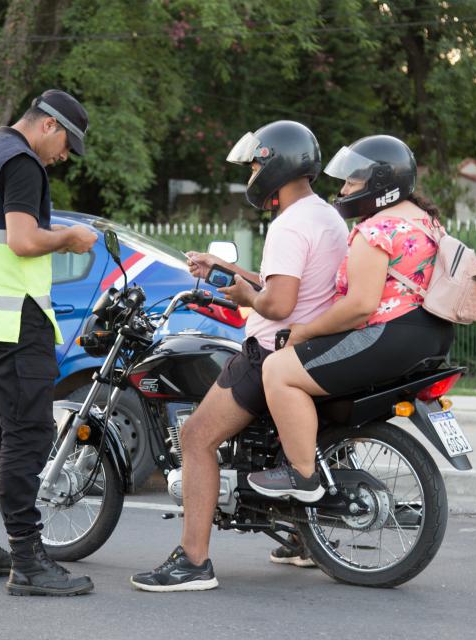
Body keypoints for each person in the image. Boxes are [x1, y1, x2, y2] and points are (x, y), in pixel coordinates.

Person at [130, 120, 349, 592]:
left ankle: (193, 561)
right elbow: (289, 279)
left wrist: (242, 296)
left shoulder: (289, 224)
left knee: (195, 437)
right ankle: (301, 536)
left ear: (275, 164)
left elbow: (278, 301)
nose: (251, 173)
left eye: (254, 164)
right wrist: (230, 269)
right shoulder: (325, 215)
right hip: (311, 348)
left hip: (270, 349)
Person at [248, 135, 456, 501]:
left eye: (351, 182)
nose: (342, 190)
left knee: (279, 370)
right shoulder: (425, 221)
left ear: (379, 185)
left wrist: (304, 331)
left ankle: (301, 474)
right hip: (431, 334)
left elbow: (360, 305)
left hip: (388, 335)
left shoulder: (376, 230)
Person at [0, 89, 98, 597]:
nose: (61, 159)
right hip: (16, 318)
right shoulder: (21, 162)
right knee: (27, 435)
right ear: (48, 126)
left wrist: (48, 231)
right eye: (65, 147)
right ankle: (28, 560)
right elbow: (21, 240)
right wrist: (70, 238)